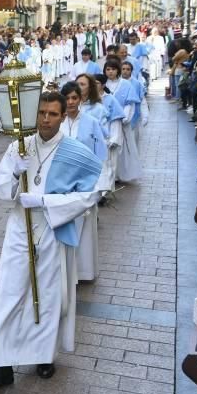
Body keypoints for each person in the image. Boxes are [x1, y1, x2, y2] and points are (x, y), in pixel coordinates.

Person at [0, 92, 102, 386]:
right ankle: (1, 363)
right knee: (9, 293)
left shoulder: (75, 152)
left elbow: (91, 194)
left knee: (48, 295)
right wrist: (14, 174)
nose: (46, 119)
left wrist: (47, 202)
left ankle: (43, 356)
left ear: (63, 116)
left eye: (52, 114)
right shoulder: (18, 147)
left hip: (51, 228)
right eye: (42, 113)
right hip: (19, 227)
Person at [60, 82, 107, 282]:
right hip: (60, 184)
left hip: (85, 184)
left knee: (85, 229)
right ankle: (64, 273)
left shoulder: (91, 122)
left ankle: (83, 272)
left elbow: (100, 155)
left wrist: (100, 186)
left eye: (74, 98)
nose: (70, 102)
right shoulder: (57, 122)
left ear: (81, 99)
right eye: (67, 98)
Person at [104, 59, 141, 184]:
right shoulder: (102, 85)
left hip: (121, 121)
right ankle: (109, 175)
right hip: (105, 122)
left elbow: (130, 103)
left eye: (113, 69)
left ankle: (120, 174)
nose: (110, 72)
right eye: (108, 69)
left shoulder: (125, 84)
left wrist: (124, 117)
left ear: (118, 70)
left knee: (122, 149)